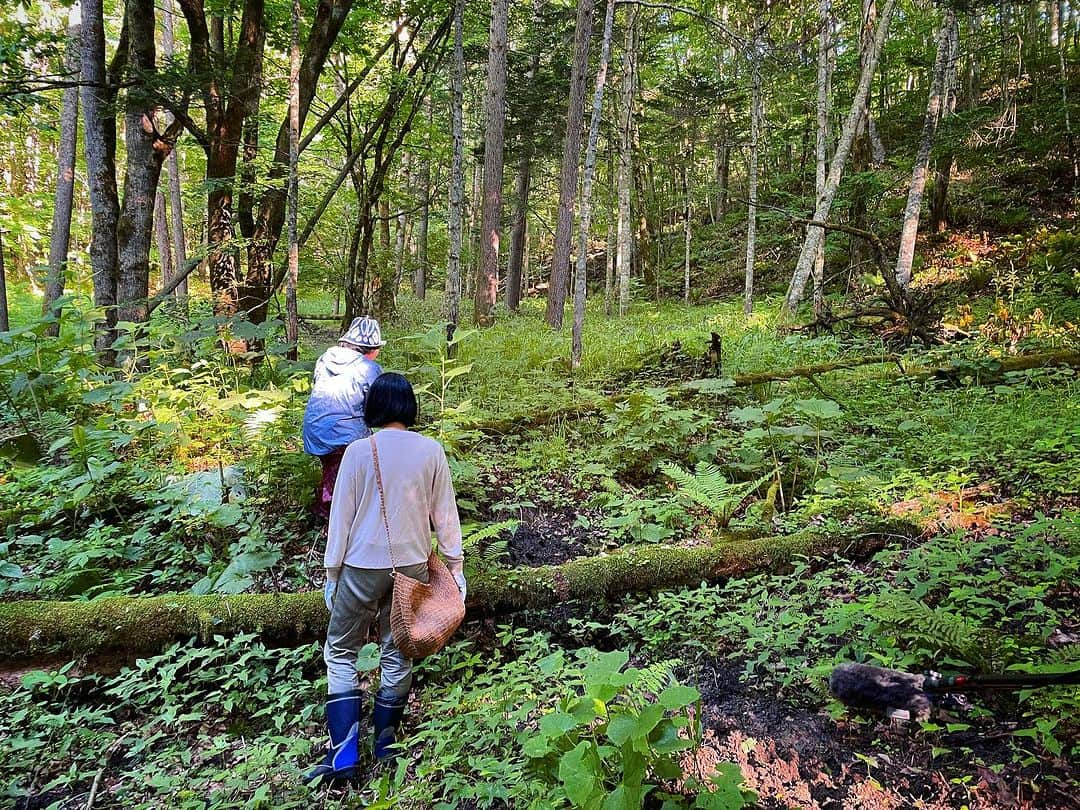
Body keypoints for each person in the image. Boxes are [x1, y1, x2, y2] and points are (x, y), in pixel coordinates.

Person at [305, 373, 466, 784]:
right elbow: (445, 515)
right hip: (410, 566)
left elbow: (340, 517)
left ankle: (343, 758)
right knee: (398, 650)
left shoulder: (359, 452)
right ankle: (386, 748)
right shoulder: (430, 451)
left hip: (360, 565)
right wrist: (455, 567)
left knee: (341, 652)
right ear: (410, 407)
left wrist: (332, 571)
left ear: (374, 407)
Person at [302, 317, 386, 520]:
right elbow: (375, 407)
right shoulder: (370, 369)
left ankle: (328, 508)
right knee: (346, 473)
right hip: (344, 434)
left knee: (333, 468)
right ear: (372, 349)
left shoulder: (325, 358)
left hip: (314, 427)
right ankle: (334, 517)